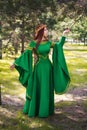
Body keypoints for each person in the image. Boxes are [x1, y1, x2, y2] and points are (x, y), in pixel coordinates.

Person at [10, 24, 70, 118]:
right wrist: (15, 63)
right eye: (45, 30)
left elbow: (59, 46)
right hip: (38, 69)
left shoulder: (48, 43)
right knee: (38, 87)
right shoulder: (34, 43)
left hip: (48, 68)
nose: (47, 31)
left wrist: (64, 35)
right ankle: (36, 109)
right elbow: (26, 54)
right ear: (41, 32)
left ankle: (46, 110)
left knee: (46, 87)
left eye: (47, 29)